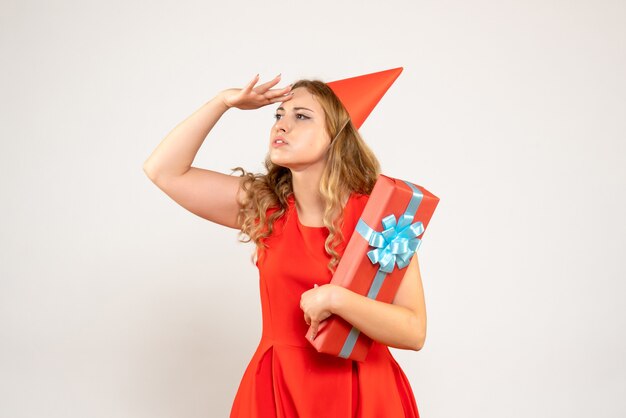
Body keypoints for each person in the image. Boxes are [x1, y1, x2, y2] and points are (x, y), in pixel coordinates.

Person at [143, 68, 426, 417]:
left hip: (364, 391)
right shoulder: (266, 207)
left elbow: (413, 331)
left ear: (337, 136)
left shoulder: (382, 219)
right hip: (278, 387)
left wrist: (336, 299)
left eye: (301, 116)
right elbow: (164, 170)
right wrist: (223, 102)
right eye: (279, 115)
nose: (281, 125)